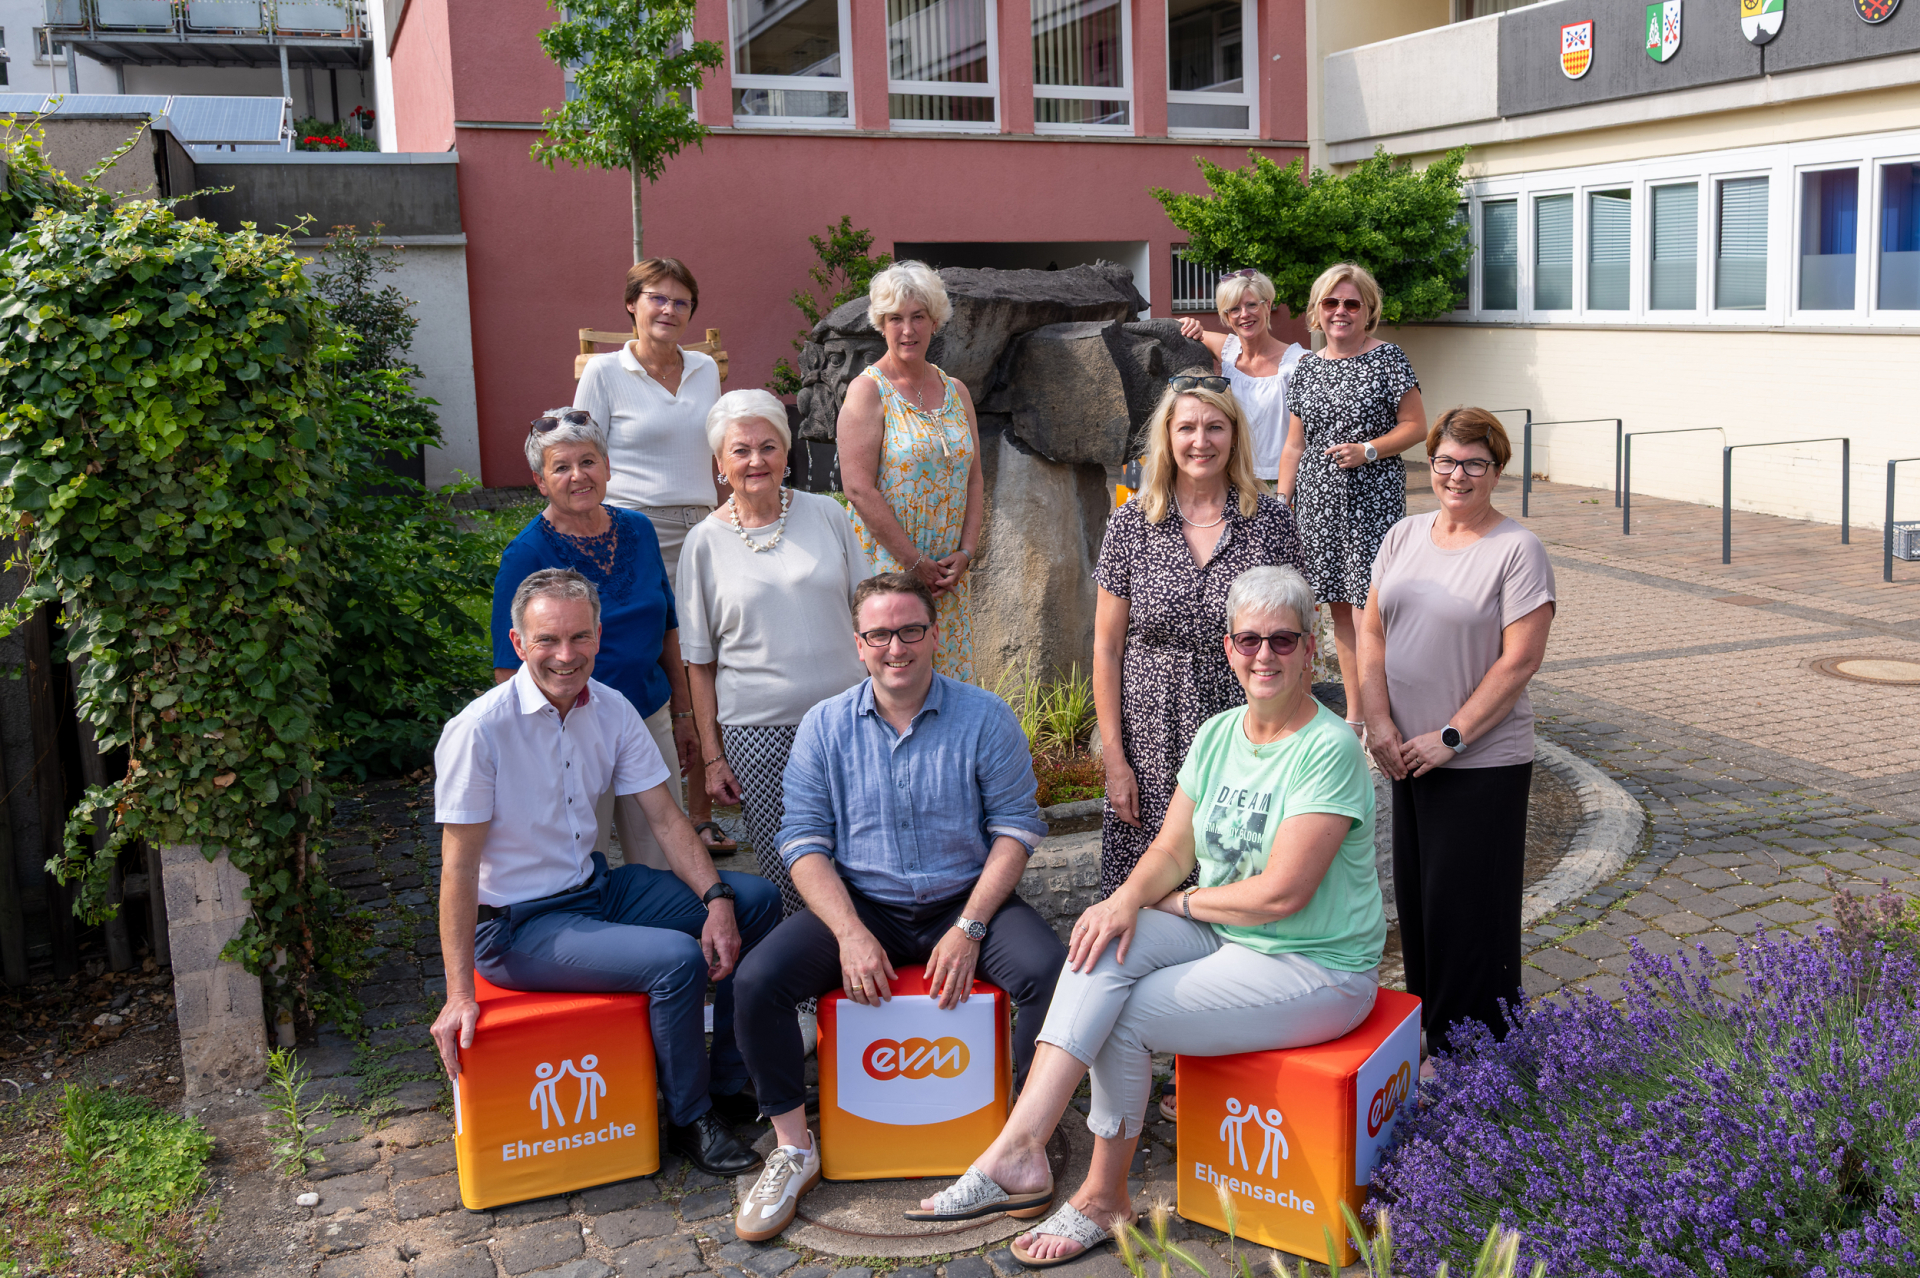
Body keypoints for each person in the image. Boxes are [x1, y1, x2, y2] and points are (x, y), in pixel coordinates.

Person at [911, 565, 1384, 1267]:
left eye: (1283, 640)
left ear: (1310, 648)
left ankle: (1104, 1196)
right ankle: (1020, 1146)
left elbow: (1283, 894)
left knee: (1123, 1016)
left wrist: (1177, 902)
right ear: (1228, 648)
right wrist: (1123, 901)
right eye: (1249, 639)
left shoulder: (1329, 748)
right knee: (1099, 945)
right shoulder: (1219, 733)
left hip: (1313, 962)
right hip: (1227, 932)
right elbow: (1170, 849)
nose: (1265, 655)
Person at [728, 573, 1065, 1243]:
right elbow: (802, 841)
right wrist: (849, 933)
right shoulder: (824, 726)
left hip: (965, 900)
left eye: (910, 630)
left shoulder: (985, 716)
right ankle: (793, 1150)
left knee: (1048, 971)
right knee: (757, 981)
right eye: (879, 634)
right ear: (858, 644)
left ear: (935, 635)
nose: (896, 647)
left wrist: (970, 926)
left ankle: (1023, 1141)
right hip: (866, 906)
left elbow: (1016, 829)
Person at [432, 568, 782, 1177]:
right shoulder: (478, 731)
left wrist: (717, 896)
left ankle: (729, 1082)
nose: (565, 655)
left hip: (596, 890)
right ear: (518, 643)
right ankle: (690, 1117)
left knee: (755, 901)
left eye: (579, 637)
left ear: (598, 636)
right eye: (547, 639)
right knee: (675, 959)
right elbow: (458, 872)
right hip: (517, 926)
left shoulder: (613, 708)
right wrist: (458, 994)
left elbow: (667, 819)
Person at [1359, 407, 1555, 1060]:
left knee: (1470, 912)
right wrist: (1378, 720)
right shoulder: (1402, 535)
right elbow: (1371, 631)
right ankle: (1434, 1035)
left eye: (1475, 463)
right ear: (1431, 463)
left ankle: (1477, 1056)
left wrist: (1451, 737)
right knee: (1422, 906)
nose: (1457, 474)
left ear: (1497, 471)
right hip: (1406, 755)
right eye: (1446, 460)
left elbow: (1520, 661)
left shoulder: (1517, 550)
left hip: (1479, 763)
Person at [1093, 375, 1305, 904]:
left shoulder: (1271, 523)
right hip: (1151, 735)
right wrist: (1115, 760)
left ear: (1234, 435)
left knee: (1236, 875)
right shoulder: (1131, 522)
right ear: (1167, 436)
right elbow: (1107, 648)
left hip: (1244, 728)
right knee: (1143, 890)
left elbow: (1298, 641)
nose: (1200, 441)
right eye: (1187, 427)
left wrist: (1289, 744)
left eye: (1215, 427)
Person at [678, 388, 871, 915]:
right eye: (740, 450)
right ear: (720, 464)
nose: (755, 460)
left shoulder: (827, 514)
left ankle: (874, 958)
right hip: (759, 737)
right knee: (792, 872)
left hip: (851, 720)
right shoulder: (703, 543)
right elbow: (700, 663)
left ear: (786, 453)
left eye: (768, 446)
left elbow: (869, 614)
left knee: (866, 856)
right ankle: (807, 967)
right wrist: (713, 757)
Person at [492, 409, 699, 871]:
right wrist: (532, 748)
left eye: (587, 461)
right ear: (540, 481)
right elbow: (509, 666)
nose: (578, 475)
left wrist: (683, 714)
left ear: (607, 466)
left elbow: (667, 627)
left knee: (665, 859)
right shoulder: (526, 554)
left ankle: (666, 922)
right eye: (560, 467)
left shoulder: (639, 530)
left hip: (648, 718)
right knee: (579, 863)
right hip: (571, 731)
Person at [576, 256, 733, 852]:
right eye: (656, 298)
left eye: (680, 301)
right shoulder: (603, 372)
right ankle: (638, 808)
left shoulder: (704, 370)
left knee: (704, 657)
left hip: (704, 530)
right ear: (632, 305)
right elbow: (582, 455)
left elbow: (718, 447)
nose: (669, 310)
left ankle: (701, 813)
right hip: (633, 534)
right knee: (649, 660)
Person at [1276, 262, 1427, 735]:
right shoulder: (1306, 367)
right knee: (1340, 614)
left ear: (1367, 311)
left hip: (1370, 504)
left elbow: (1416, 427)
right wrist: (1282, 501)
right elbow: (1294, 445)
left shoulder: (1388, 358)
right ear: (1317, 311)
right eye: (1331, 302)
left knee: (1370, 616)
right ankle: (1356, 717)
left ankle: (1385, 718)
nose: (1340, 311)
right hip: (1318, 507)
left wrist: (1369, 450)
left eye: (1351, 303)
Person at [837, 261, 982, 682]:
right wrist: (913, 561)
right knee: (894, 679)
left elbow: (974, 477)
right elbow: (858, 488)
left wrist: (966, 553)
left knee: (948, 685)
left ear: (935, 321)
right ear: (880, 324)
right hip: (889, 570)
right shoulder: (867, 391)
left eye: (918, 316)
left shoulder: (957, 391)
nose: (907, 330)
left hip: (946, 576)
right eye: (895, 319)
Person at [1176, 269, 1307, 485]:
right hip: (1232, 478)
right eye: (1234, 309)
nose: (1244, 314)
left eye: (1252, 305)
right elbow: (1176, 329)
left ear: (1267, 306)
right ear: (1226, 316)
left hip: (1280, 481)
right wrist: (1190, 322)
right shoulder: (1227, 351)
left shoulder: (1299, 362)